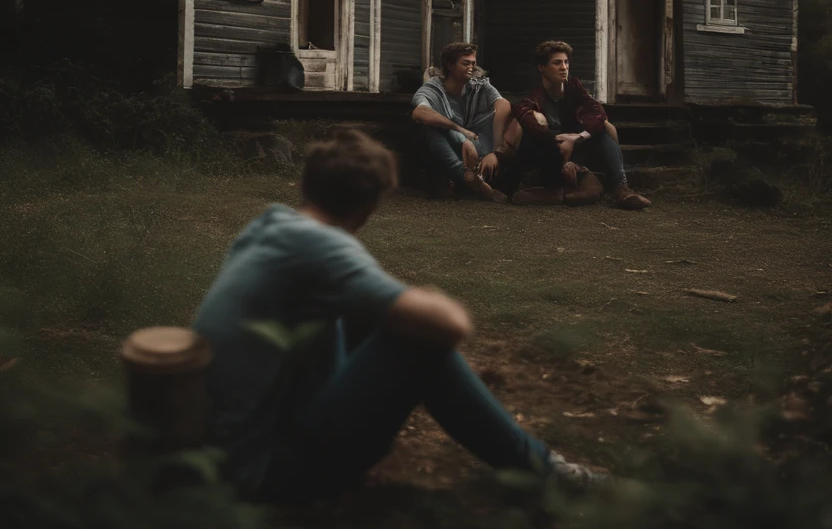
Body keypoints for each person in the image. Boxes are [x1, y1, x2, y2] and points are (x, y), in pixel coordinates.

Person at [193, 129, 607, 503]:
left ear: (308, 185)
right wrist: (420, 300)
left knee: (370, 317)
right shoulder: (323, 249)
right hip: (265, 476)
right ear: (369, 206)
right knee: (420, 341)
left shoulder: (270, 226)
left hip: (226, 455)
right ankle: (543, 471)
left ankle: (536, 466)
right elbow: (453, 324)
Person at [507, 40, 651, 210]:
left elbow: (598, 113)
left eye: (566, 62)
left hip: (577, 155)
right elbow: (523, 114)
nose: (564, 67)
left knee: (604, 128)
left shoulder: (574, 88)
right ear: (541, 67)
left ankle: (621, 188)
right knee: (534, 124)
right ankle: (548, 190)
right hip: (549, 157)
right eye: (557, 63)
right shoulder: (534, 99)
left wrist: (577, 138)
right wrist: (557, 139)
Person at [410, 41, 512, 202]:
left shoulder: (478, 85)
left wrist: (495, 149)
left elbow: (503, 105)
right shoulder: (434, 88)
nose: (471, 67)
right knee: (432, 126)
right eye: (465, 63)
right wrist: (460, 132)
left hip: (476, 145)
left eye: (473, 63)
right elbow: (419, 112)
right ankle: (468, 179)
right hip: (447, 147)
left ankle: (469, 179)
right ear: (450, 65)